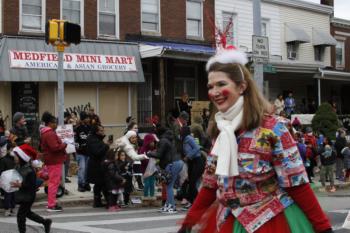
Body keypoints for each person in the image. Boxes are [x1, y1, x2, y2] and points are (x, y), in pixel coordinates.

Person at [178, 48, 332, 233]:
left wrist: (323, 227)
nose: (215, 92)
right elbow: (211, 184)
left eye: (221, 84)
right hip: (228, 220)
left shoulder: (273, 129)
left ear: (242, 87)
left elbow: (296, 183)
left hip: (269, 221)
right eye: (211, 86)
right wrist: (189, 221)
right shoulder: (222, 131)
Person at [12, 145, 52, 233]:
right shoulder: (18, 167)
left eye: (16, 155)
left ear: (22, 157)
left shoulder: (30, 170)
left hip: (28, 196)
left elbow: (31, 185)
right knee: (27, 213)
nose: (14, 157)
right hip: (22, 194)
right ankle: (45, 222)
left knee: (20, 216)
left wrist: (20, 185)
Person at [148, 128, 184, 214]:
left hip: (172, 163)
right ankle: (168, 205)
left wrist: (148, 153)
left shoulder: (163, 140)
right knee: (169, 185)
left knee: (169, 186)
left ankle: (172, 206)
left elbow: (159, 154)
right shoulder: (170, 140)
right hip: (177, 162)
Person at [40, 111, 67, 212]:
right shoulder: (50, 133)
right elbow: (55, 148)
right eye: (54, 122)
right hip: (54, 160)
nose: (56, 124)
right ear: (49, 123)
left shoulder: (45, 133)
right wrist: (64, 144)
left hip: (51, 160)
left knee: (53, 182)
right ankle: (51, 205)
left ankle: (51, 203)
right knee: (54, 183)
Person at [180, 126, 205, 210]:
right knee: (191, 182)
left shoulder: (188, 138)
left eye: (181, 130)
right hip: (192, 162)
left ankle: (197, 202)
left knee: (192, 183)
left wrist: (188, 156)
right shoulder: (184, 139)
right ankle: (192, 202)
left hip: (197, 161)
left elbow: (197, 147)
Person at [86, 125, 110, 208]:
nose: (103, 132)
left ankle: (97, 202)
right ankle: (108, 202)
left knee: (99, 184)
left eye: (103, 130)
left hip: (99, 165)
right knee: (103, 183)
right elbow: (97, 152)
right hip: (96, 166)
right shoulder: (92, 140)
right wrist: (106, 145)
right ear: (96, 132)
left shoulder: (96, 139)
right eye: (101, 131)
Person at [75, 111, 91, 192]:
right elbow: (75, 140)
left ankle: (86, 183)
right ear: (82, 119)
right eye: (86, 118)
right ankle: (80, 184)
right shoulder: (78, 128)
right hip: (80, 153)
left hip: (88, 152)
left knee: (87, 169)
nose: (88, 119)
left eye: (88, 118)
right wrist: (79, 147)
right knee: (82, 169)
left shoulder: (90, 128)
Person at [139, 134, 157, 207]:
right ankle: (146, 198)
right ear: (147, 142)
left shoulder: (154, 149)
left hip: (152, 170)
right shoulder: (143, 149)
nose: (153, 143)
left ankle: (152, 198)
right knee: (147, 184)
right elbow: (142, 158)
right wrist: (148, 159)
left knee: (152, 184)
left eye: (153, 142)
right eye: (151, 142)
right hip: (145, 169)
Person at [0, 136, 16, 216]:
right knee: (8, 195)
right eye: (12, 149)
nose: (13, 151)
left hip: (13, 178)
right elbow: (1, 171)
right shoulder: (3, 160)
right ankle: (7, 209)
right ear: (8, 150)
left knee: (13, 194)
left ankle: (12, 208)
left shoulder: (15, 159)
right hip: (6, 180)